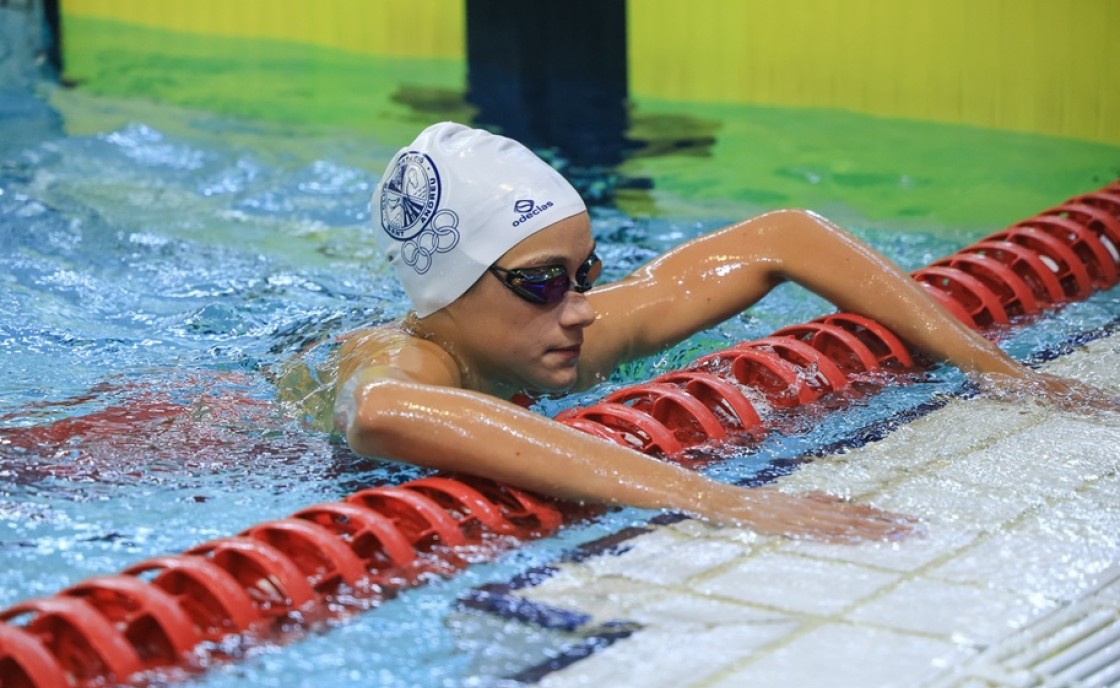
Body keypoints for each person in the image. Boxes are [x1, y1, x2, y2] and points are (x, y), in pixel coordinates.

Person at [279, 122, 1113, 542]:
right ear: (447, 289)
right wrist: (727, 502)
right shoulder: (392, 355)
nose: (576, 309)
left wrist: (1002, 372)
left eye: (584, 276)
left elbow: (784, 235)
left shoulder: (561, 336)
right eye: (539, 282)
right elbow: (386, 412)